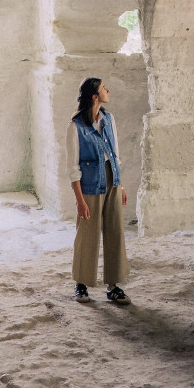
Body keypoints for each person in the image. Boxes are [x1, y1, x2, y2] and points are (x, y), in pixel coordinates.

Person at [66, 77, 130, 304]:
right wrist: (80, 201)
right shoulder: (76, 127)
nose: (108, 90)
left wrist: (120, 185)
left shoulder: (109, 119)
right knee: (87, 235)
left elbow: (116, 155)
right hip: (90, 185)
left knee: (115, 232)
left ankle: (113, 286)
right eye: (104, 88)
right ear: (95, 96)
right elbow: (73, 168)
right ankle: (81, 284)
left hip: (112, 181)